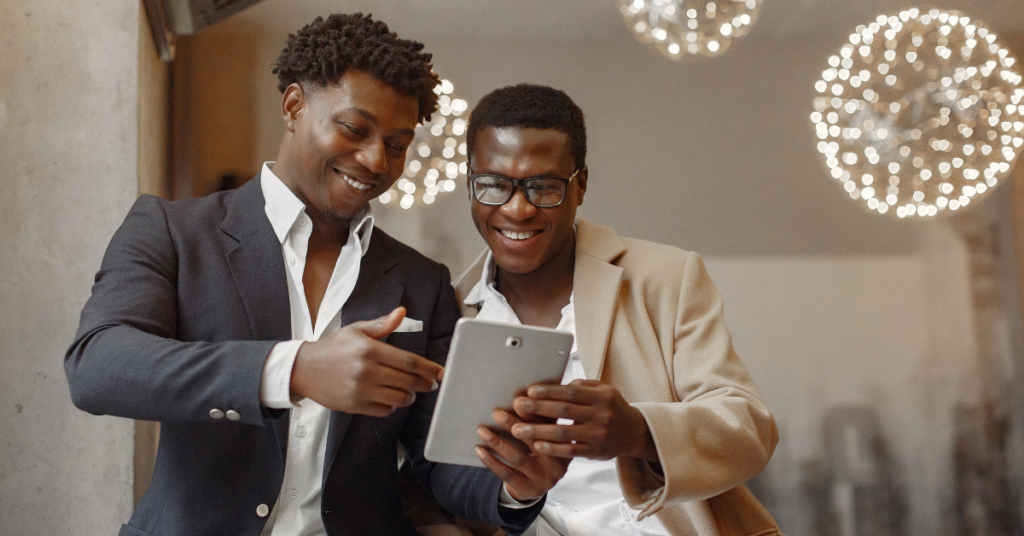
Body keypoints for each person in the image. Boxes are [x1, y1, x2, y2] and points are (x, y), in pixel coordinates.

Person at [64, 15, 564, 536]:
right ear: (294, 106)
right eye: (354, 129)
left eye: (397, 144)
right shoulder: (174, 231)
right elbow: (98, 366)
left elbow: (436, 459)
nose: (375, 160)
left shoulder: (423, 281)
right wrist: (294, 369)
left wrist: (515, 486)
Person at [450, 84, 782, 535]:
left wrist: (640, 431)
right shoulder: (449, 310)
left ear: (580, 184)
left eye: (544, 187)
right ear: (471, 182)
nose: (517, 208)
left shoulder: (666, 276)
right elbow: (436, 486)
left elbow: (748, 429)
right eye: (493, 185)